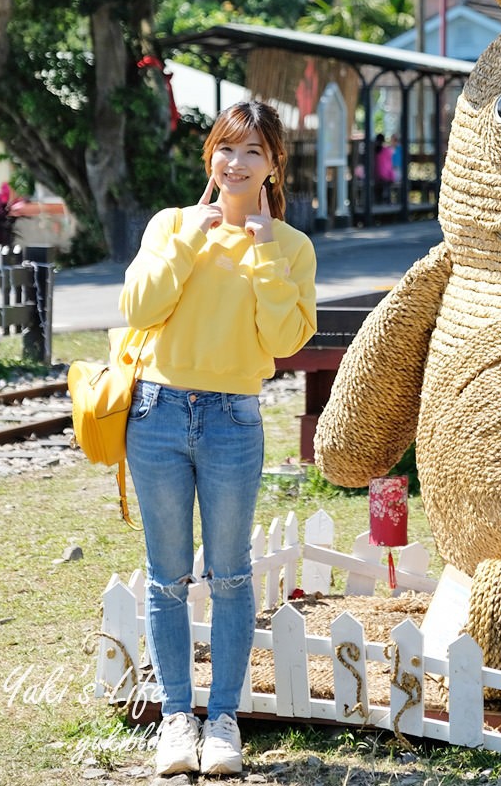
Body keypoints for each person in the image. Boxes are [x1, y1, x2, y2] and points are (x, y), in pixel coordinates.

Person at [119, 100, 316, 778]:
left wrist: (262, 254)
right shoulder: (170, 225)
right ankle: (177, 718)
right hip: (157, 414)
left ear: (274, 164)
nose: (236, 163)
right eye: (227, 150)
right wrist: (186, 242)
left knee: (231, 574)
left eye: (253, 152)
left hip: (233, 418)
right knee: (167, 576)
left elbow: (287, 340)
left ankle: (224, 717)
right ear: (211, 157)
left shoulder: (289, 246)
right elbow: (138, 308)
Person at [373, 131, 395, 203]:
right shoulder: (386, 151)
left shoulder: (373, 151)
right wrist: (392, 176)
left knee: (378, 190)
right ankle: (386, 201)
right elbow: (389, 166)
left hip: (375, 176)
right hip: (384, 176)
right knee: (387, 187)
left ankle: (378, 201)